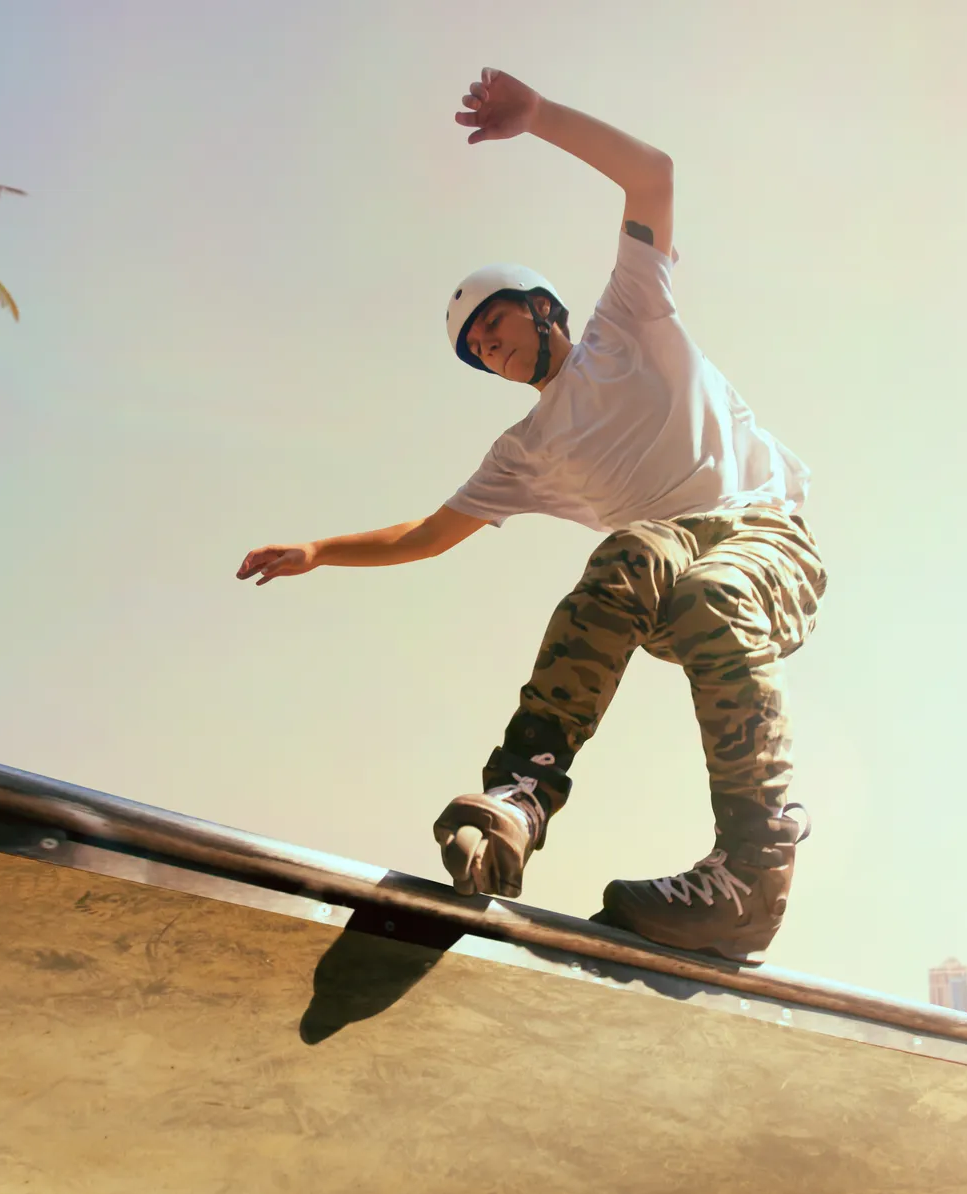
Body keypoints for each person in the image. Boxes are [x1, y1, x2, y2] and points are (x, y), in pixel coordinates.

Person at [237, 68, 828, 964]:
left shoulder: (627, 317)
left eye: (495, 323)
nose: (489, 346)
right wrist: (320, 548)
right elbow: (428, 535)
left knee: (694, 577)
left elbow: (655, 177)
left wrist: (540, 117)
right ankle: (521, 794)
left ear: (541, 306)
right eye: (476, 351)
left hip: (763, 540)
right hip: (660, 582)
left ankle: (751, 869)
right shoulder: (524, 452)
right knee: (642, 558)